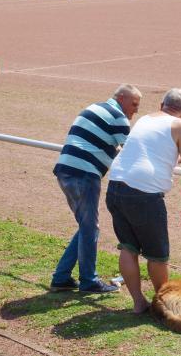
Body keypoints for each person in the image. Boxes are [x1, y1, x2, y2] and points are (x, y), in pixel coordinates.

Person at [105, 88, 181, 314]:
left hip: (115, 186)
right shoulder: (180, 125)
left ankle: (138, 302)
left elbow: (154, 149)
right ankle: (164, 306)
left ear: (161, 104)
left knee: (128, 247)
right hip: (143, 195)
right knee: (157, 255)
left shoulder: (145, 119)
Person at [50, 84, 142, 293]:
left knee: (86, 226)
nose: (136, 109)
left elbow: (114, 148)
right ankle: (89, 281)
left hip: (66, 170)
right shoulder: (119, 117)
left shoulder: (96, 108)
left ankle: (61, 277)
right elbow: (132, 152)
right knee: (90, 228)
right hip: (84, 174)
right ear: (121, 99)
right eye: (134, 104)